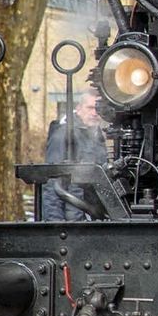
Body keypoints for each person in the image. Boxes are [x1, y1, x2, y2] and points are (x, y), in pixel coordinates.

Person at [38, 90, 106, 222]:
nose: (94, 113)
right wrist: (56, 226)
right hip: (72, 221)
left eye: (98, 108)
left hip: (89, 219)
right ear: (79, 108)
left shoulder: (97, 137)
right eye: (90, 108)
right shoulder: (63, 135)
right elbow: (52, 183)